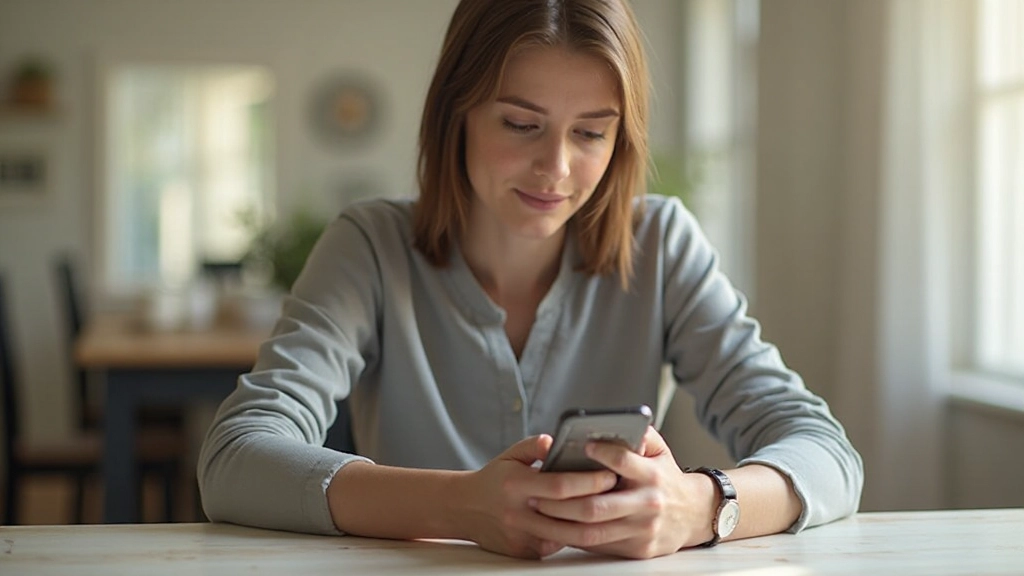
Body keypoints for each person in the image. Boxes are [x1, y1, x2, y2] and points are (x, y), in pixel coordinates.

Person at [198, 0, 863, 560]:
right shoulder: (370, 247)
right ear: (456, 112)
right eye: (521, 125)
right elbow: (235, 460)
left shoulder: (660, 243)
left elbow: (827, 454)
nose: (558, 168)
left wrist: (702, 505)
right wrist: (458, 505)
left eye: (592, 134)